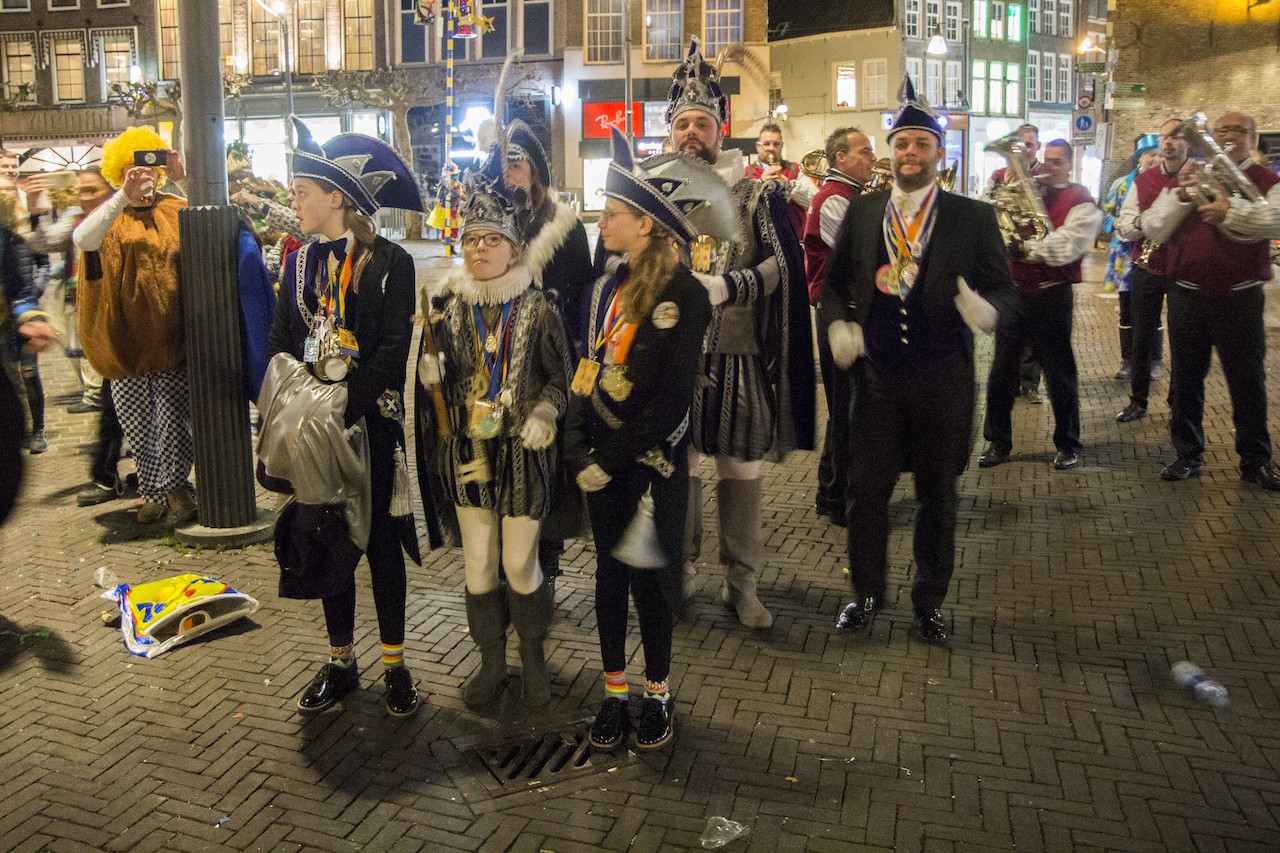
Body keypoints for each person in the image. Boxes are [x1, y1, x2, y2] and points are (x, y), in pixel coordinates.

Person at [819, 94, 1019, 643]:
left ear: (938, 152)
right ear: (892, 152)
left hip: (943, 378)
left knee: (938, 496)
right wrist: (837, 326)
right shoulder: (864, 212)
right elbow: (832, 287)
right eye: (902, 143)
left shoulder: (972, 217)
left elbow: (1005, 288)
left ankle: (929, 601)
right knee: (865, 493)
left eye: (922, 144)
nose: (911, 152)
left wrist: (989, 310)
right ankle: (865, 592)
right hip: (877, 379)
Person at [264, 119, 426, 716]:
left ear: (336, 198)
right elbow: (282, 344)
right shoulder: (297, 264)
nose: (293, 201)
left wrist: (344, 405)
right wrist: (310, 407)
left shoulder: (391, 262)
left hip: (370, 424)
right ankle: (340, 661)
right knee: (329, 541)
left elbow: (392, 349)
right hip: (316, 433)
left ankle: (395, 665)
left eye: (302, 191)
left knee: (381, 544)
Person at [564, 129, 713, 751]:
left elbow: (673, 399)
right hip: (599, 458)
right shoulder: (602, 289)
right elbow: (584, 370)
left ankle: (658, 693)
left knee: (650, 582)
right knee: (607, 579)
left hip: (652, 462)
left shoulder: (685, 294)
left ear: (647, 224)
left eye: (612, 213)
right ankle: (614, 692)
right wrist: (577, 448)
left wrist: (607, 458)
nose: (601, 221)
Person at [417, 146, 570, 710]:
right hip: (468, 453)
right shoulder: (447, 308)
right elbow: (435, 383)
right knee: (479, 564)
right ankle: (490, 664)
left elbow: (562, 380)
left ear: (515, 249)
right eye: (472, 240)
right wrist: (430, 376)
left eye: (492, 240)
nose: (480, 249)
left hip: (524, 454)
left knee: (518, 563)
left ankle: (533, 661)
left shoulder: (540, 307)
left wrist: (546, 412)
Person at [669, 38, 815, 631]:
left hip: (738, 354)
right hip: (674, 356)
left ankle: (741, 583)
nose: (691, 134)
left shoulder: (756, 193)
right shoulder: (653, 197)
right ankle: (677, 572)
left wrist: (730, 286)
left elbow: (783, 266)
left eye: (701, 124)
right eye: (682, 124)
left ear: (720, 131)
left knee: (741, 468)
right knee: (677, 465)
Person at [1139, 112, 1280, 489]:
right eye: (1221, 131)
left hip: (1240, 297)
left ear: (1253, 138)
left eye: (1237, 130)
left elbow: (1275, 220)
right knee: (1186, 379)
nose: (1227, 136)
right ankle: (1188, 454)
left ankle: (1255, 459)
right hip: (1187, 295)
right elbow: (1153, 227)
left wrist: (1229, 211)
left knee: (1247, 380)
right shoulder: (1195, 175)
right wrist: (1182, 194)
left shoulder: (1268, 180)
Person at [72, 128, 197, 524]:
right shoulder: (111, 214)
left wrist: (181, 178)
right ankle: (154, 492)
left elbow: (216, 220)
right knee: (137, 424)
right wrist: (121, 197)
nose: (141, 175)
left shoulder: (174, 207)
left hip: (172, 340)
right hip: (125, 342)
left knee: (174, 422)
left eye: (146, 166)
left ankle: (176, 489)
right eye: (131, 169)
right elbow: (83, 238)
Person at [501, 120, 593, 581]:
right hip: (503, 352)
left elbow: (582, 289)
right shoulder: (498, 217)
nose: (508, 174)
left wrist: (570, 344)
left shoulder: (563, 224)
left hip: (550, 352)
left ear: (535, 170)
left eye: (516, 164)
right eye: (503, 165)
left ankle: (548, 552)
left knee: (548, 452)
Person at [978, 139, 1102, 471]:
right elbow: (990, 219)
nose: (1048, 166)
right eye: (1046, 160)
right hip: (1015, 293)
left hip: (1052, 294)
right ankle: (997, 441)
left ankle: (1068, 443)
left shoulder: (1081, 199)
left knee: (1059, 371)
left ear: (1070, 165)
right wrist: (1002, 196)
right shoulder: (1027, 189)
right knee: (1001, 370)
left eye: (1057, 162)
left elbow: (1065, 247)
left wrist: (1023, 249)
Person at [805, 127, 875, 525]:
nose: (872, 159)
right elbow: (861, 255)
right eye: (864, 152)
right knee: (846, 407)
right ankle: (836, 496)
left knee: (849, 407)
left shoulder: (850, 195)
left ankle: (833, 492)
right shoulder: (833, 198)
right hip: (840, 313)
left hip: (850, 311)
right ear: (841, 158)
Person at [1115, 118, 1186, 424]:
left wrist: (1143, 222)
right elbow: (1125, 227)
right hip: (1146, 266)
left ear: (1187, 142)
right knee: (1141, 338)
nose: (1168, 142)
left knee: (1183, 340)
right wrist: (1147, 224)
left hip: (1184, 269)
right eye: (1164, 137)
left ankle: (1178, 401)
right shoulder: (1142, 181)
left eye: (1175, 136)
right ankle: (1138, 400)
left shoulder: (1196, 177)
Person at [985, 125, 1046, 403]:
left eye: (1029, 145)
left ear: (1037, 147)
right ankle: (1008, 384)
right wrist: (1000, 199)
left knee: (1033, 333)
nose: (1024, 150)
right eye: (1020, 145)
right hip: (1006, 261)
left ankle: (1030, 383)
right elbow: (985, 205)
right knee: (1007, 330)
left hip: (1034, 260)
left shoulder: (1043, 175)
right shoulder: (998, 176)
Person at [1103, 134, 1162, 381]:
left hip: (1154, 255)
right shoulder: (1121, 185)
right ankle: (1128, 361)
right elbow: (1105, 217)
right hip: (1125, 258)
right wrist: (1115, 222)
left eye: (1159, 155)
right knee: (1126, 311)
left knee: (1153, 311)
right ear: (1140, 157)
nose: (1156, 159)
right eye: (1151, 154)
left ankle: (1155, 360)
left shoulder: (1164, 185)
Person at [745, 122, 811, 251]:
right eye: (766, 144)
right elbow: (743, 208)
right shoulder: (748, 172)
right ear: (758, 147)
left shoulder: (795, 169)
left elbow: (813, 201)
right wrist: (760, 183)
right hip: (761, 244)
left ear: (782, 146)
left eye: (776, 144)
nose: (771, 148)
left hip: (794, 240)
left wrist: (789, 185)